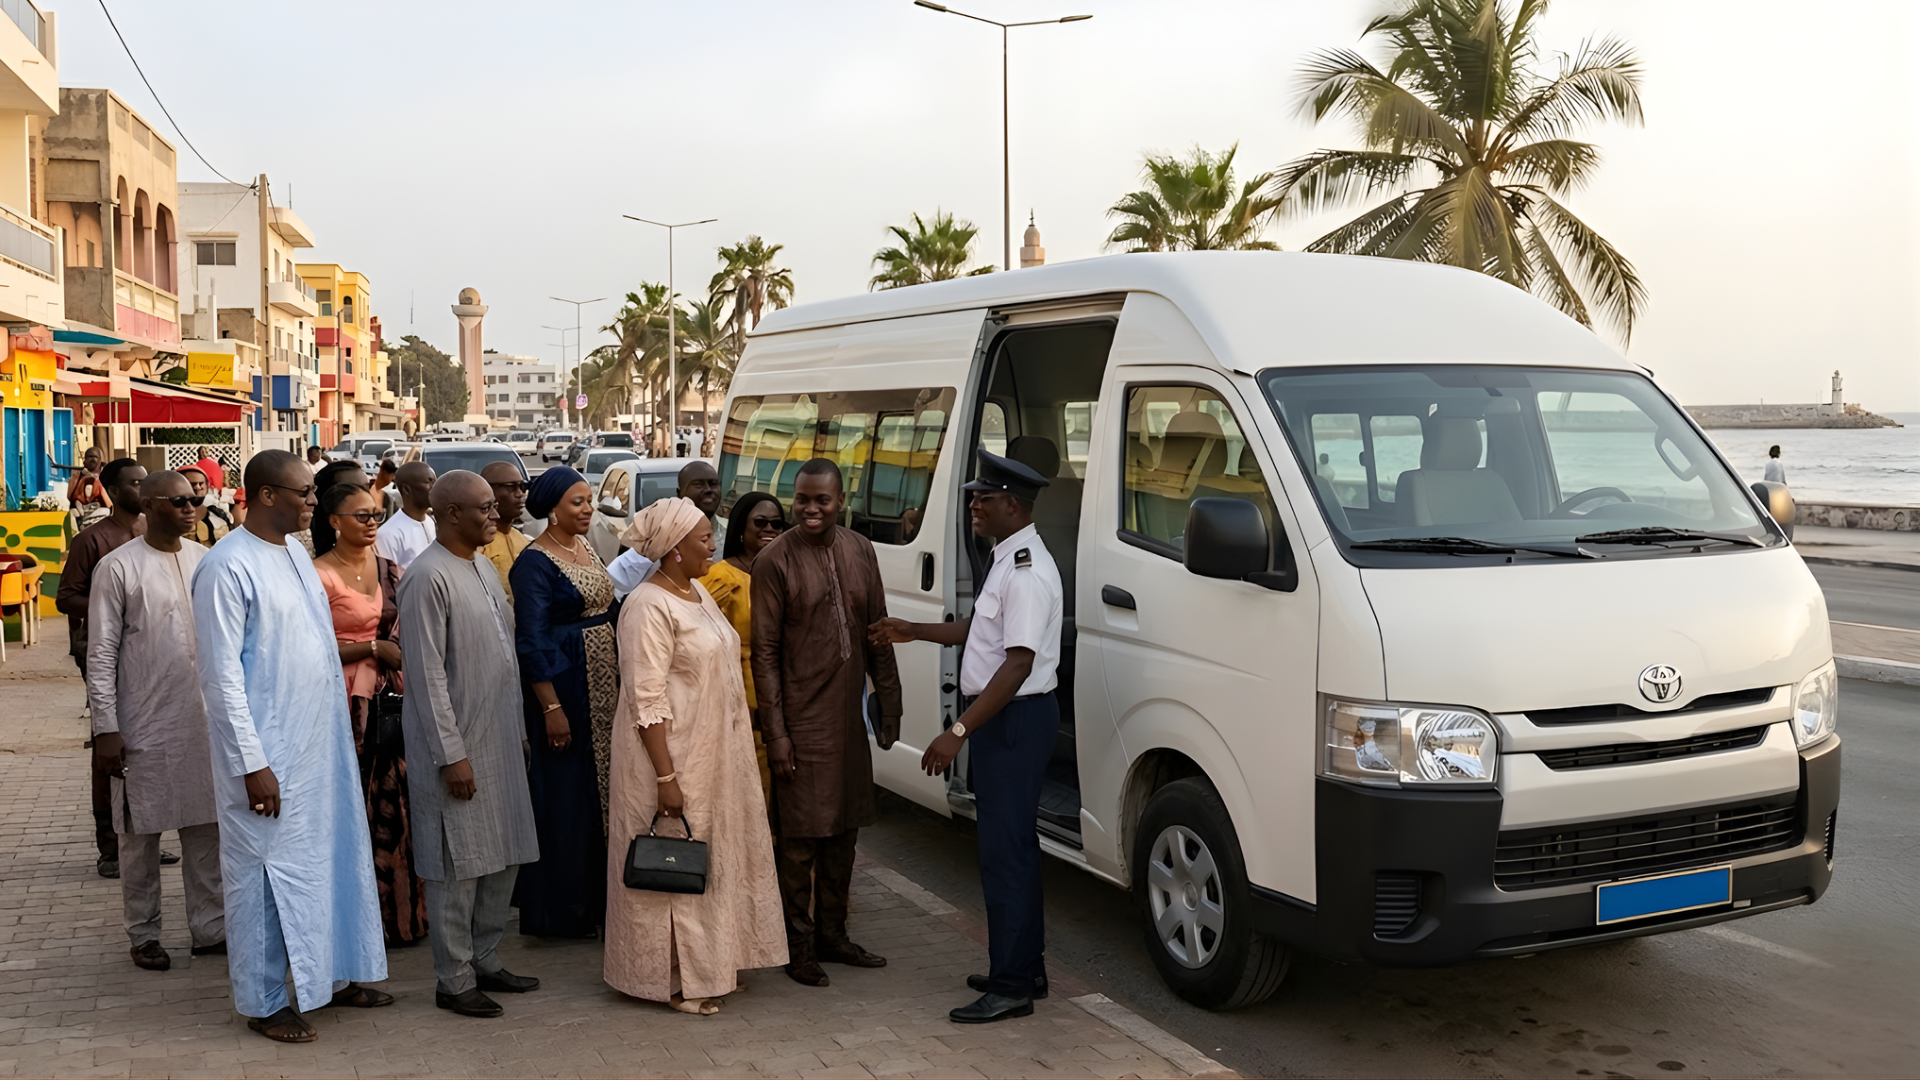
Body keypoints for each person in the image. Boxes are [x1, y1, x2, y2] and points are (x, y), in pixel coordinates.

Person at [192, 450, 390, 1043]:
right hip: (266, 756)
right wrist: (252, 764)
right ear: (266, 495)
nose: (313, 501)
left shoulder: (297, 558)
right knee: (264, 877)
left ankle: (332, 972)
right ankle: (265, 1000)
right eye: (302, 492)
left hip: (317, 748)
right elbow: (221, 678)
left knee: (328, 863)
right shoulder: (226, 567)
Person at [870, 449, 1064, 1024]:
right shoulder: (1007, 557)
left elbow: (1017, 664)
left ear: (1012, 504)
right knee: (1013, 850)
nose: (972, 504)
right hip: (1006, 717)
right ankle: (1024, 965)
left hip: (1012, 717)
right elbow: (979, 630)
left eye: (983, 497)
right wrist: (913, 630)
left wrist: (957, 730)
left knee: (1005, 855)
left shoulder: (1025, 570)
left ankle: (1011, 986)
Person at [604, 497, 785, 1014]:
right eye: (704, 538)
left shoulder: (698, 591)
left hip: (713, 755)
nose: (713, 543)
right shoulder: (646, 606)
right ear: (674, 549)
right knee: (671, 866)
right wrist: (666, 776)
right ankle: (672, 980)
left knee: (710, 860)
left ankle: (711, 963)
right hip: (669, 756)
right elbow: (646, 697)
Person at [750, 458, 902, 987]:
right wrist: (778, 734)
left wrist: (891, 703)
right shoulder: (775, 560)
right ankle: (799, 947)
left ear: (842, 501)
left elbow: (877, 631)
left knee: (844, 835)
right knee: (798, 844)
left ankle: (834, 936)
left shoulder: (860, 550)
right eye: (803, 500)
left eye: (823, 501)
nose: (811, 510)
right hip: (800, 723)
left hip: (847, 721)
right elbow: (764, 654)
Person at [399, 471, 542, 1018]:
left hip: (501, 738)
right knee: (457, 865)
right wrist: (450, 755)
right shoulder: (426, 577)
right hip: (456, 746)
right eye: (483, 507)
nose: (495, 514)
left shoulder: (481, 565)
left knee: (500, 856)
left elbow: (503, 657)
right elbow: (428, 674)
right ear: (450, 514)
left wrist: (521, 732)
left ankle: (484, 957)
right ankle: (453, 979)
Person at [86, 471, 226, 971]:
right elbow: (100, 652)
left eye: (196, 499)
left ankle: (211, 930)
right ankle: (143, 933)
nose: (191, 508)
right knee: (138, 836)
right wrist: (106, 728)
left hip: (203, 721)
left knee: (205, 831)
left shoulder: (206, 561)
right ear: (148, 504)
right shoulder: (117, 567)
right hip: (140, 723)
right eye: (179, 500)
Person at [313, 482, 428, 947]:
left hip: (390, 701)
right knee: (351, 810)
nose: (371, 522)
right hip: (338, 703)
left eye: (376, 513)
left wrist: (392, 652)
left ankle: (402, 917)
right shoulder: (317, 575)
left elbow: (407, 632)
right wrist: (369, 648)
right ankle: (354, 925)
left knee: (396, 807)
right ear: (334, 521)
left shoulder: (391, 571)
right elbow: (310, 645)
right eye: (360, 515)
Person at [509, 466, 620, 938]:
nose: (587, 509)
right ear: (551, 508)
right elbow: (531, 641)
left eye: (589, 500)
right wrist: (552, 709)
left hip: (603, 689)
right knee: (568, 799)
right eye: (577, 502)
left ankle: (601, 899)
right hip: (567, 692)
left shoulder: (583, 546)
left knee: (603, 795)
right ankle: (564, 910)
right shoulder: (534, 563)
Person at [58, 457, 148, 879]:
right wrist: (109, 612)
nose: (141, 488)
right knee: (108, 742)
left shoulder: (155, 535)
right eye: (133, 482)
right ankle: (110, 846)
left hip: (151, 654)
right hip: (102, 651)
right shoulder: (92, 540)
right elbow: (65, 597)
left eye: (145, 482)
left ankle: (144, 837)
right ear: (112, 489)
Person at [698, 491, 786, 802]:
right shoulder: (720, 578)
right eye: (760, 523)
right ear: (740, 528)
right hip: (741, 697)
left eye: (777, 524)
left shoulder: (786, 571)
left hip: (787, 693)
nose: (769, 530)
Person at [478, 461, 531, 602]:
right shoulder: (477, 547)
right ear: (488, 491)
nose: (520, 494)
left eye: (522, 487)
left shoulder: (525, 541)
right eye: (511, 487)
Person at [376, 462, 437, 570]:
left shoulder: (430, 522)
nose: (435, 487)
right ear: (406, 489)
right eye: (430, 482)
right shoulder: (387, 535)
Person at [179, 467, 230, 549]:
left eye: (201, 484)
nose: (198, 488)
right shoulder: (171, 517)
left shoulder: (217, 514)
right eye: (192, 484)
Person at [67, 446, 112, 528]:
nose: (93, 459)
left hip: (99, 511)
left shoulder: (105, 477)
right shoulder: (76, 476)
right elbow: (71, 496)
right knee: (71, 515)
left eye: (95, 457)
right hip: (80, 511)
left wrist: (92, 477)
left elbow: (108, 501)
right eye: (90, 457)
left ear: (100, 460)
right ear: (85, 460)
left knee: (106, 512)